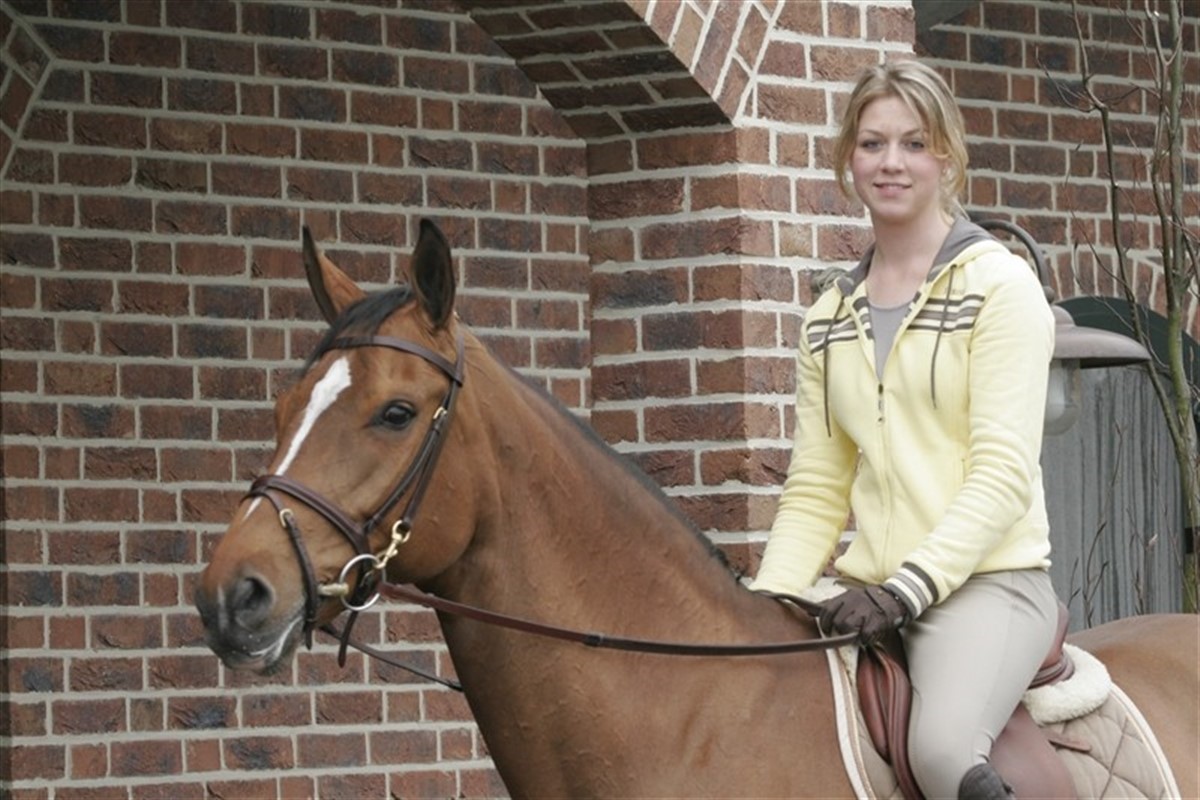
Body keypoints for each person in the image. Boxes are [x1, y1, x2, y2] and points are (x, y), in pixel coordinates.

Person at [750, 60, 1060, 800]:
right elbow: (817, 488)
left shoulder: (1001, 287)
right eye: (873, 144)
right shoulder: (828, 318)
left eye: (914, 143)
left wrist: (904, 591)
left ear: (946, 156)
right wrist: (763, 607)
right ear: (848, 160)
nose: (891, 162)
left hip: (989, 584)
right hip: (869, 590)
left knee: (942, 751)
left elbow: (1002, 474)